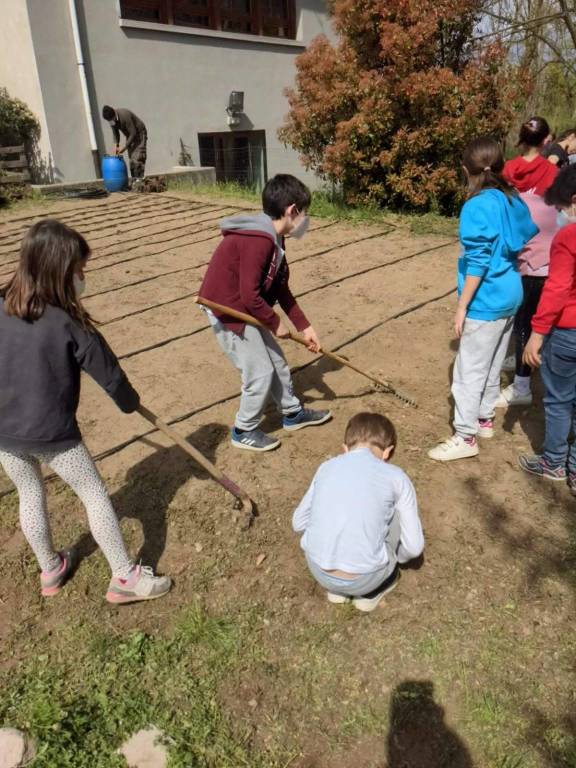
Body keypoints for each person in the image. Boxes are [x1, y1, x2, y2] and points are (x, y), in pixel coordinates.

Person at [0, 220, 171, 604]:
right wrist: (129, 403)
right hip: (53, 436)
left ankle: (50, 568)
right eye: (78, 269)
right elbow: (111, 377)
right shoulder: (71, 323)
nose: (82, 275)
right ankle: (124, 577)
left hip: (4, 433)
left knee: (29, 491)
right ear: (59, 271)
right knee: (93, 492)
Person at [198, 174, 331, 452]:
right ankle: (244, 429)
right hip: (229, 311)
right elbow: (249, 295)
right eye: (304, 214)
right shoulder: (259, 240)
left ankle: (292, 412)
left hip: (248, 307)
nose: (306, 221)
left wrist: (304, 327)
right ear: (291, 210)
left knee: (277, 363)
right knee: (259, 371)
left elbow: (281, 289)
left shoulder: (275, 239)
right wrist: (275, 323)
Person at [428, 137, 538, 462]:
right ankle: (485, 419)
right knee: (492, 364)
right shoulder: (513, 199)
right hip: (511, 293)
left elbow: (477, 261)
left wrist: (462, 307)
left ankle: (465, 435)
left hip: (486, 299)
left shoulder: (476, 206)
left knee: (468, 370)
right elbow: (524, 236)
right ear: (501, 165)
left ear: (466, 169)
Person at [292, 412, 424, 613]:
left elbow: (298, 523)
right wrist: (396, 559)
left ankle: (337, 591)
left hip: (319, 571)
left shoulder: (325, 467)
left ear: (345, 449)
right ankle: (372, 591)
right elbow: (414, 548)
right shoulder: (397, 477)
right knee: (395, 513)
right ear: (388, 452)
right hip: (366, 578)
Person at [519, 165, 576, 491]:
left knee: (559, 400)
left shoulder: (569, 236)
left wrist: (537, 334)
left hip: (567, 330)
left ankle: (554, 462)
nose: (561, 214)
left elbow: (557, 288)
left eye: (562, 207)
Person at [496, 116, 558, 407]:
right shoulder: (552, 172)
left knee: (520, 315)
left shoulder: (508, 169)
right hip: (541, 254)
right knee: (529, 318)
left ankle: (522, 377)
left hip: (513, 250)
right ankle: (523, 382)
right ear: (546, 140)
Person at [102, 105, 147, 180]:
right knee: (132, 158)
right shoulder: (111, 120)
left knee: (138, 156)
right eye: (108, 121)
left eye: (110, 120)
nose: (110, 122)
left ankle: (139, 180)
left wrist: (125, 147)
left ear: (114, 114)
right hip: (129, 135)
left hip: (139, 133)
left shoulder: (124, 115)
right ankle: (135, 180)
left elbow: (133, 132)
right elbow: (115, 133)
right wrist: (116, 146)